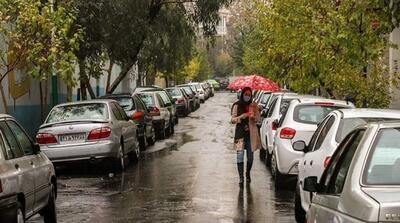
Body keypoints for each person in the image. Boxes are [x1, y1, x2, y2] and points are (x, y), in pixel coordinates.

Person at [231, 87, 261, 185]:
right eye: (246, 94)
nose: (247, 97)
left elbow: (258, 119)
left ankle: (248, 173)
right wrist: (241, 116)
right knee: (239, 156)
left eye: (249, 95)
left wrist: (254, 116)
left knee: (250, 157)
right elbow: (232, 120)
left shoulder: (254, 105)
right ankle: (241, 177)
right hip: (239, 134)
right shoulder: (236, 105)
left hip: (250, 135)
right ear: (242, 94)